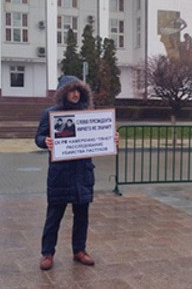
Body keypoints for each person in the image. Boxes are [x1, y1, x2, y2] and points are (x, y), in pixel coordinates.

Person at [35, 75, 118, 270]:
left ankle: (79, 250)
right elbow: (38, 136)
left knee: (82, 215)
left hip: (83, 172)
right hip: (60, 173)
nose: (74, 94)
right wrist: (44, 142)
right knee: (54, 215)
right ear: (64, 93)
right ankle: (47, 253)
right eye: (71, 91)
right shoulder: (51, 113)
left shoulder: (88, 114)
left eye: (77, 91)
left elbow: (100, 136)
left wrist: (111, 137)